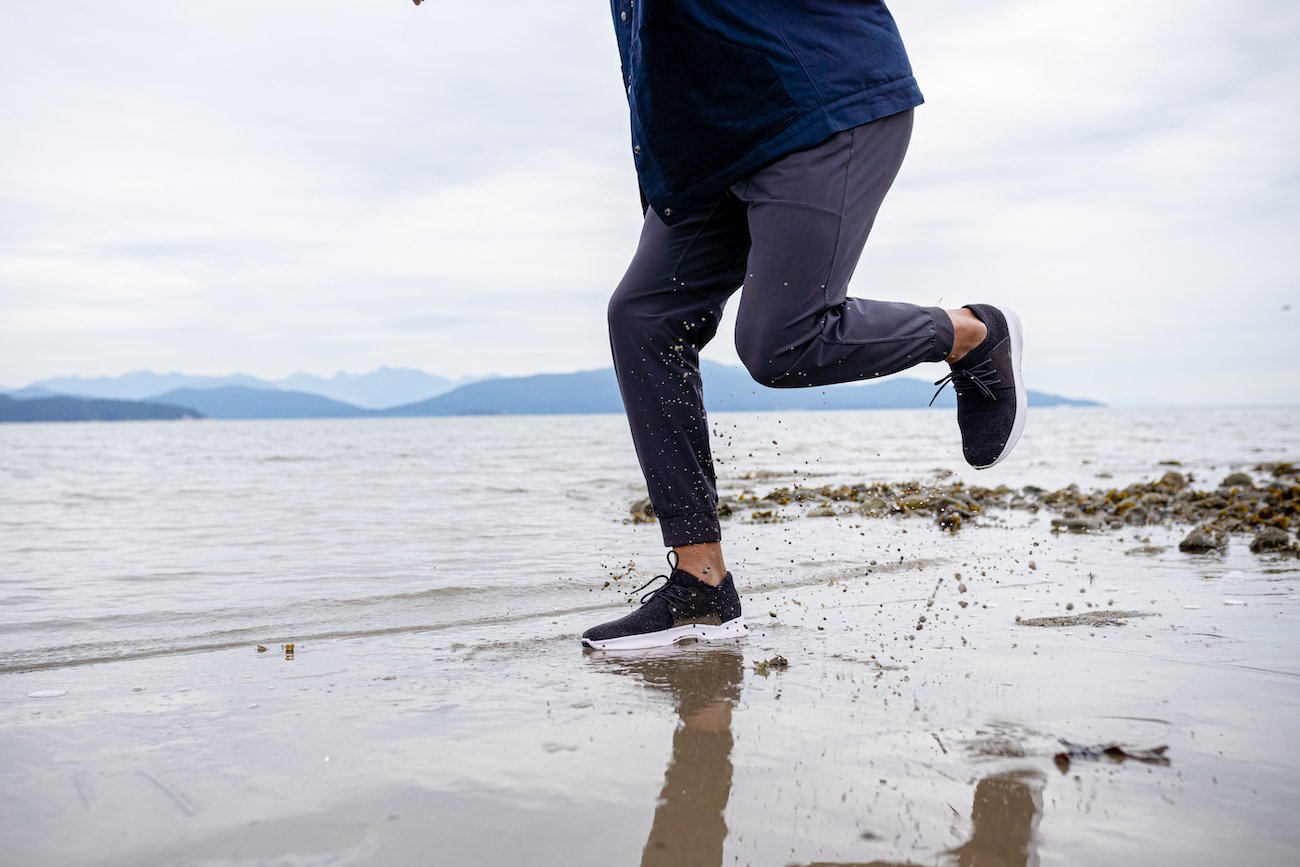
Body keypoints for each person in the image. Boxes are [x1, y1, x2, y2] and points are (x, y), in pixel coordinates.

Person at [412, 0, 1023, 648]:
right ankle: (701, 583)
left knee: (782, 342)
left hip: (813, 98)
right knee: (644, 316)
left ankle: (971, 334)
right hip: (706, 147)